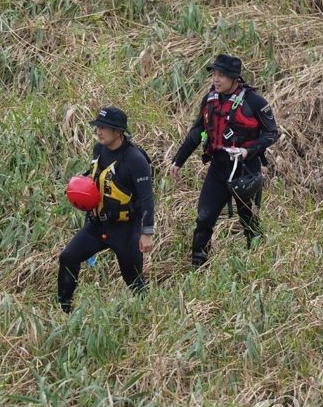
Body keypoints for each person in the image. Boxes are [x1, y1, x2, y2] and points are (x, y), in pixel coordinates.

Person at [170, 54, 279, 267]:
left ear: (235, 78)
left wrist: (248, 151)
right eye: (214, 75)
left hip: (246, 169)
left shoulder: (254, 101)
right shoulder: (210, 99)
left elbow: (271, 134)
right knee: (204, 218)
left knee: (248, 219)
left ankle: (257, 263)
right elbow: (197, 132)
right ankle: (198, 267)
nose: (216, 80)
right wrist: (178, 160)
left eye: (221, 75)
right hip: (218, 168)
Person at [57, 107, 155, 313]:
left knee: (134, 281)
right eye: (98, 126)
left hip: (126, 230)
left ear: (119, 132)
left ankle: (149, 316)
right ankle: (64, 309)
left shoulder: (135, 159)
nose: (99, 131)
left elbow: (146, 198)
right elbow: (96, 181)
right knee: (68, 257)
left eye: (104, 127)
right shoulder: (98, 149)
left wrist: (147, 233)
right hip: (97, 225)